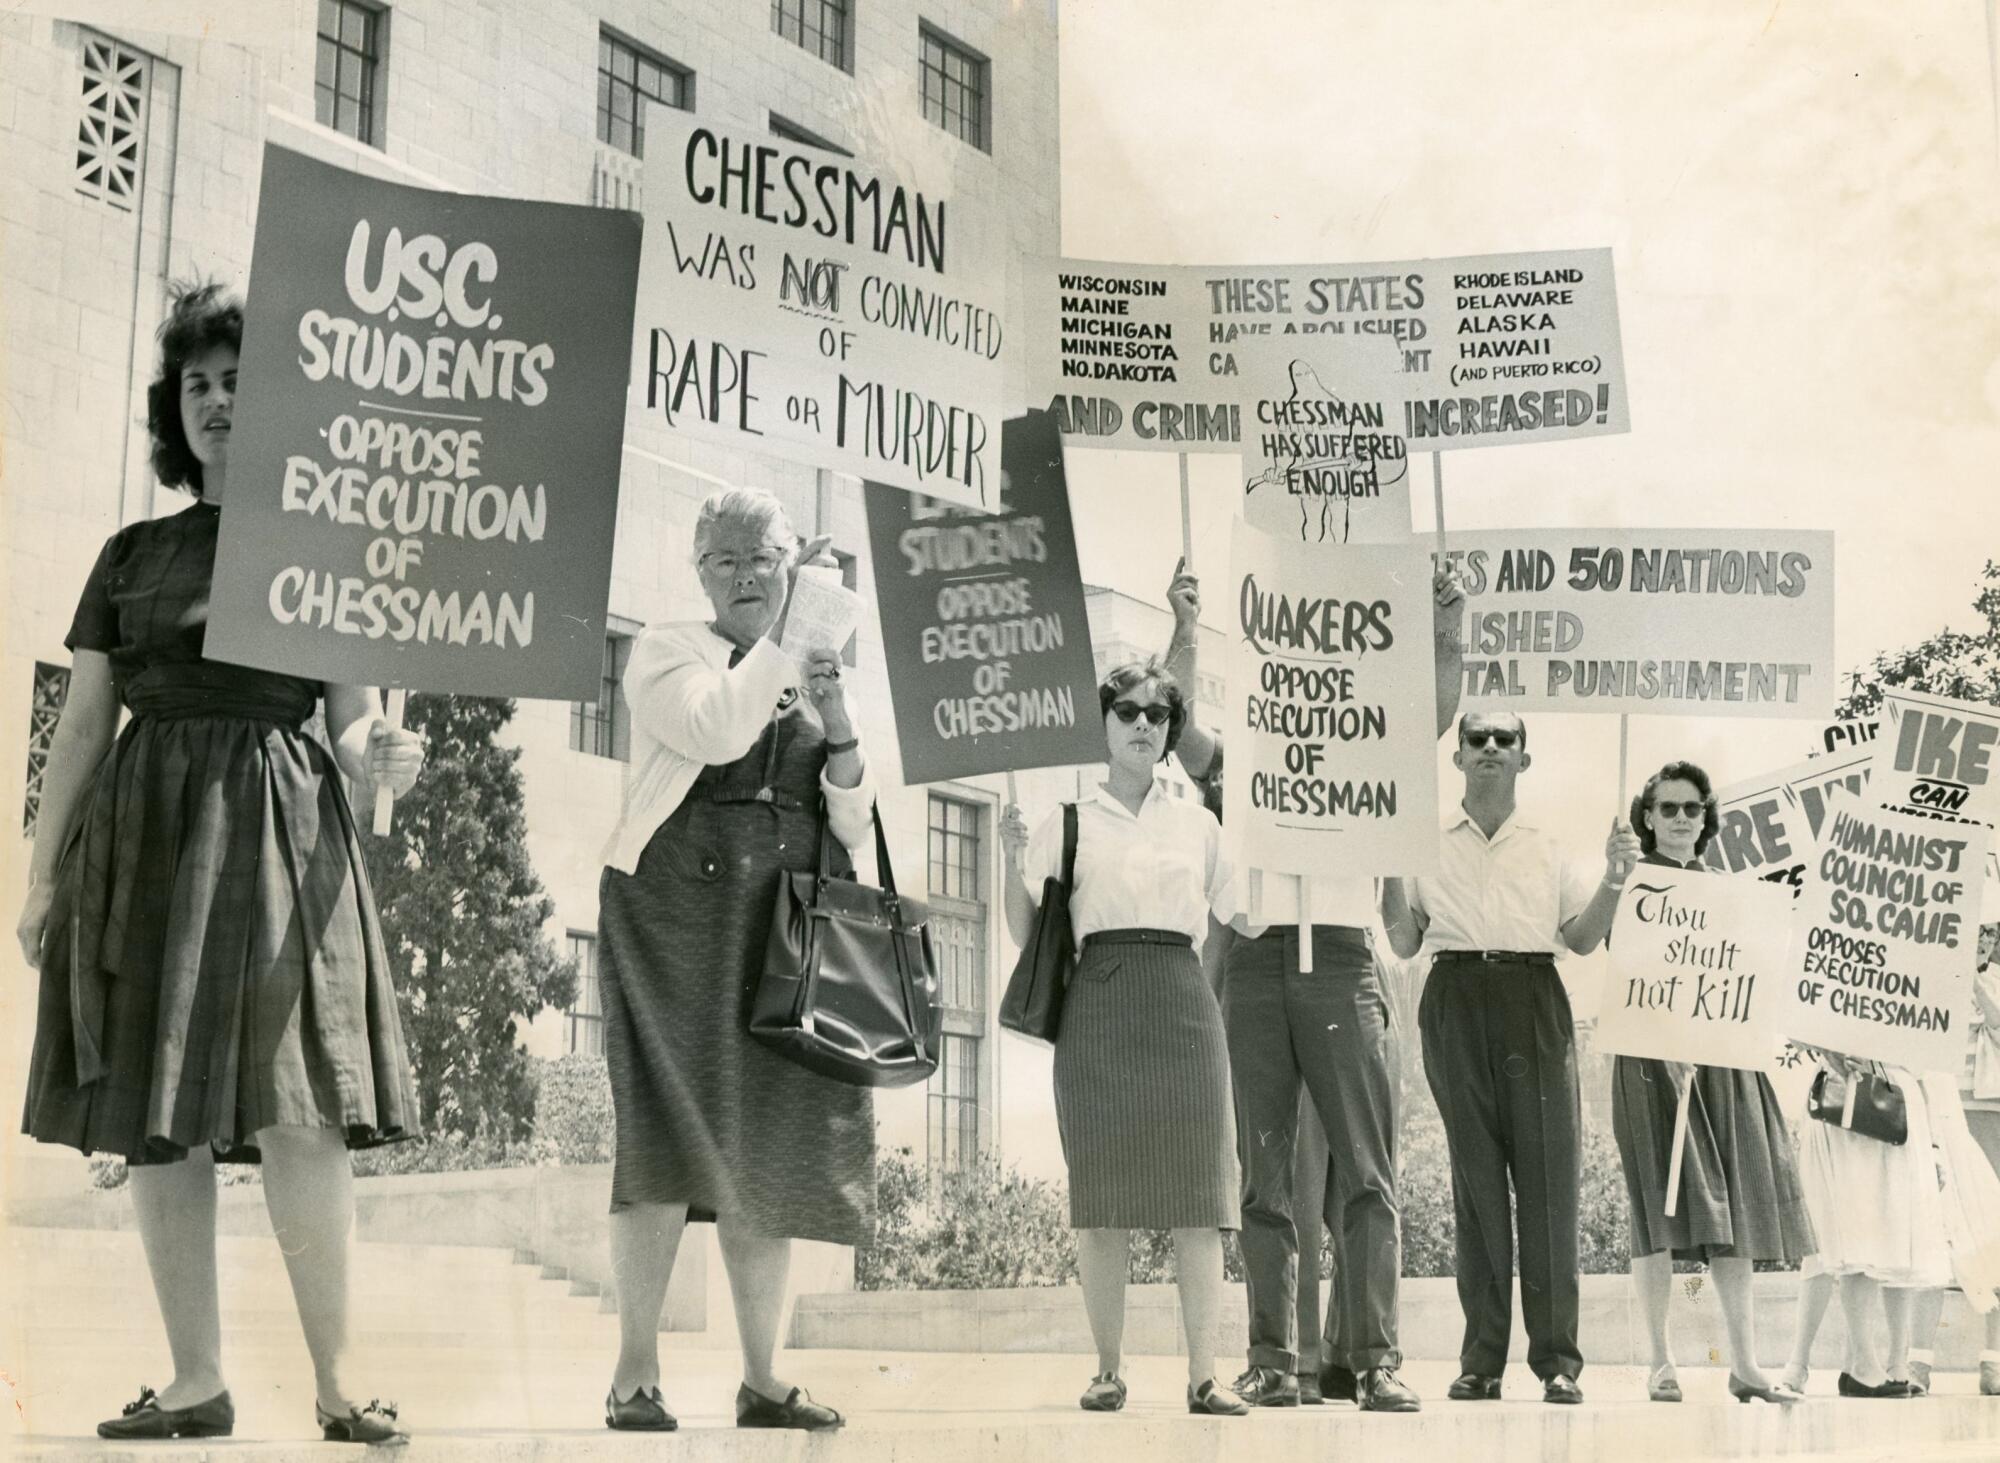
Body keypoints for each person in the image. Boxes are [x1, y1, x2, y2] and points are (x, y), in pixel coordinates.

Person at [16, 284, 425, 1445]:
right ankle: (195, 1380)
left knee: (301, 1107)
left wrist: (385, 748)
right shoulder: (130, 553)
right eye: (196, 383)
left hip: (284, 830)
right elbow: (83, 729)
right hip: (145, 833)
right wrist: (43, 879)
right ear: (173, 409)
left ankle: (340, 1384)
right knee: (158, 1110)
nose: (216, 400)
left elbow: (350, 727)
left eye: (239, 378)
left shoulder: (325, 542)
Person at [596, 487, 874, 1433]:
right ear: (700, 573)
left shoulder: (815, 661)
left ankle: (763, 1376)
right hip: (674, 908)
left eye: (765, 559)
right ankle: (635, 1373)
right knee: (663, 1133)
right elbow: (718, 727)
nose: (748, 576)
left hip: (784, 919)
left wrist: (840, 727)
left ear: (789, 565)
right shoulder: (666, 648)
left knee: (772, 1140)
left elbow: (853, 819)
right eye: (727, 561)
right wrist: (796, 639)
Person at [1163, 558, 1463, 1413]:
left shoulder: (1369, 753)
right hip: (1257, 962)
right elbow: (1176, 721)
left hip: (1341, 958)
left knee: (1368, 1170)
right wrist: (1185, 626)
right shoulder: (1238, 764)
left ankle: (1373, 1358)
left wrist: (1448, 627)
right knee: (1262, 1174)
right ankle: (1271, 1357)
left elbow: (1433, 717)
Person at [999, 659, 1251, 1417]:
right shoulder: (1066, 821)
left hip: (1183, 1001)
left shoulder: (1201, 822)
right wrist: (1009, 859)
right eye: (1127, 710)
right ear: (1104, 723)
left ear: (1172, 729)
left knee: (1199, 1197)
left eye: (1157, 713)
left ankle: (1205, 1374)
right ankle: (1108, 1368)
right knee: (1102, 1197)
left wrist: (1284, 831)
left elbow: (1250, 915)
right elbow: (1027, 933)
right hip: (1098, 1007)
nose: (1142, 723)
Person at [1381, 711, 1640, 1404]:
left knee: (1550, 1178)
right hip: (1455, 994)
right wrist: (1383, 869)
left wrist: (1616, 879)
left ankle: (1557, 1358)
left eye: (1505, 740)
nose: (1490, 748)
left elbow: (1582, 940)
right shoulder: (1420, 839)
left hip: (1533, 995)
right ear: (1459, 756)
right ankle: (1481, 1359)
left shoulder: (1550, 841)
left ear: (1524, 759)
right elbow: (1405, 941)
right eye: (1477, 739)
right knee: (1477, 1186)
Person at [1608, 762, 1814, 1404]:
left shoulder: (1732, 889)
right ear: (1647, 817)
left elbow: (1758, 979)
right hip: (1650, 1061)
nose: (1678, 820)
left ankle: (1746, 1365)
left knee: (1734, 1205)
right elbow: (1617, 959)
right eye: (1666, 809)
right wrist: (1616, 879)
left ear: (1706, 817)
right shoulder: (1631, 885)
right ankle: (1660, 1362)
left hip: (1722, 1062)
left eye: (1690, 809)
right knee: (1654, 1209)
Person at [1777, 1047, 1949, 1398]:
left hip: (1896, 1094)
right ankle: (1849, 1363)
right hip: (1843, 1091)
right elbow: (1798, 1014)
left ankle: (1889, 1361)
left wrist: (1933, 1142)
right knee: (1838, 1233)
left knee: (1894, 1227)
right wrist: (1830, 1048)